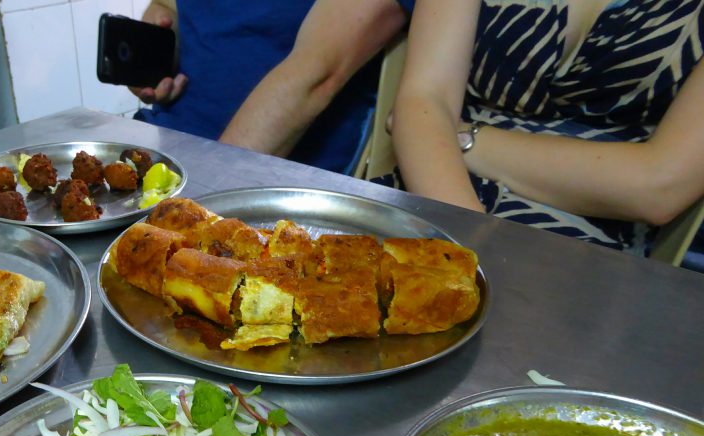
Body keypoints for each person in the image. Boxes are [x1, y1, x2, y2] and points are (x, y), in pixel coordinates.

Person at [384, 0, 704, 255]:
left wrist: (464, 139)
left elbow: (660, 186)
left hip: (588, 227)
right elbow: (424, 98)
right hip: (434, 182)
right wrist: (470, 243)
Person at [131, 0, 413, 174]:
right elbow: (170, 6)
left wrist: (201, 195)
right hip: (166, 151)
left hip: (275, 179)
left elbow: (318, 73)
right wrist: (158, 39)